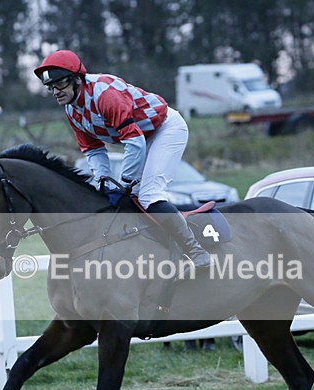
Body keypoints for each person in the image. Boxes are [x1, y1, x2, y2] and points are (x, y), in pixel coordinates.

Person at [33, 50, 210, 271]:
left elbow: (134, 141)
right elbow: (94, 150)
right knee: (129, 199)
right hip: (140, 138)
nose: (55, 92)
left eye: (60, 84)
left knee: (149, 195)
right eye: (51, 87)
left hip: (165, 129)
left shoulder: (104, 94)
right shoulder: (72, 110)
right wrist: (104, 182)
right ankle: (157, 255)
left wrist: (124, 182)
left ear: (77, 79)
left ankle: (195, 251)